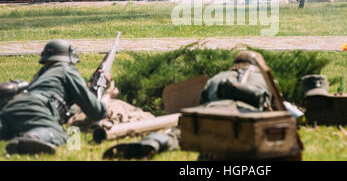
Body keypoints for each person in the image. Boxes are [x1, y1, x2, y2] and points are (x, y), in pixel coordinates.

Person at [103, 50, 275, 160]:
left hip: (212, 113)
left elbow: (203, 101)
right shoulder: (265, 79)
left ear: (235, 64)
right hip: (245, 118)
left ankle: (156, 141)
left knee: (179, 133)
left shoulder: (219, 77)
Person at [0, 39, 117, 155]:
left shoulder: (42, 74)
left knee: (5, 128)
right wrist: (107, 95)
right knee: (58, 134)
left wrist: (89, 88)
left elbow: (69, 109)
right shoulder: (67, 70)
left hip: (13, 107)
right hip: (39, 108)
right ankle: (32, 137)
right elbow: (97, 112)